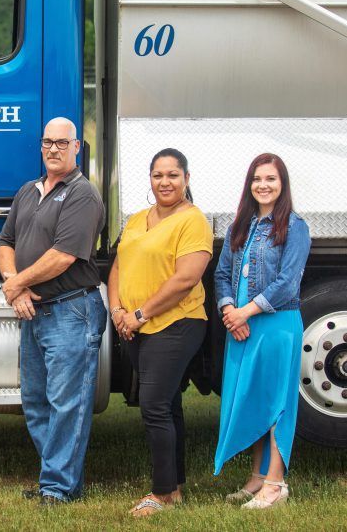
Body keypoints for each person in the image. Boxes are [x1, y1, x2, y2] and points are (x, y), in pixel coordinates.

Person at [0, 116, 105, 505]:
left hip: (71, 311)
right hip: (33, 310)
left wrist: (15, 284)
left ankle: (57, 487)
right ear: (40, 146)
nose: (54, 149)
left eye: (63, 142)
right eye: (48, 142)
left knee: (67, 402)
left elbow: (62, 256)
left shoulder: (83, 194)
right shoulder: (29, 190)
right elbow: (6, 242)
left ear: (77, 148)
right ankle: (60, 482)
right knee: (36, 400)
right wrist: (16, 288)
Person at [108, 149, 213, 517]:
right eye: (158, 175)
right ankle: (176, 487)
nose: (165, 182)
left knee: (153, 406)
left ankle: (162, 494)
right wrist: (118, 310)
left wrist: (139, 314)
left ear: (186, 178)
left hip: (177, 323)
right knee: (168, 405)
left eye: (172, 175)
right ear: (149, 179)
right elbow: (119, 265)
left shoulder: (194, 221)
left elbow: (186, 278)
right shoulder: (137, 218)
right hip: (135, 325)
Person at [213, 153, 312, 509]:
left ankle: (275, 484)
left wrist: (245, 313)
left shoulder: (295, 226)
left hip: (276, 326)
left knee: (276, 404)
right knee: (252, 399)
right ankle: (256, 478)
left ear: (282, 184)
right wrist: (229, 311)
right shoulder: (239, 226)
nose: (263, 185)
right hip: (240, 328)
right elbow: (222, 274)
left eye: (271, 178)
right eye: (257, 178)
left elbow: (287, 283)